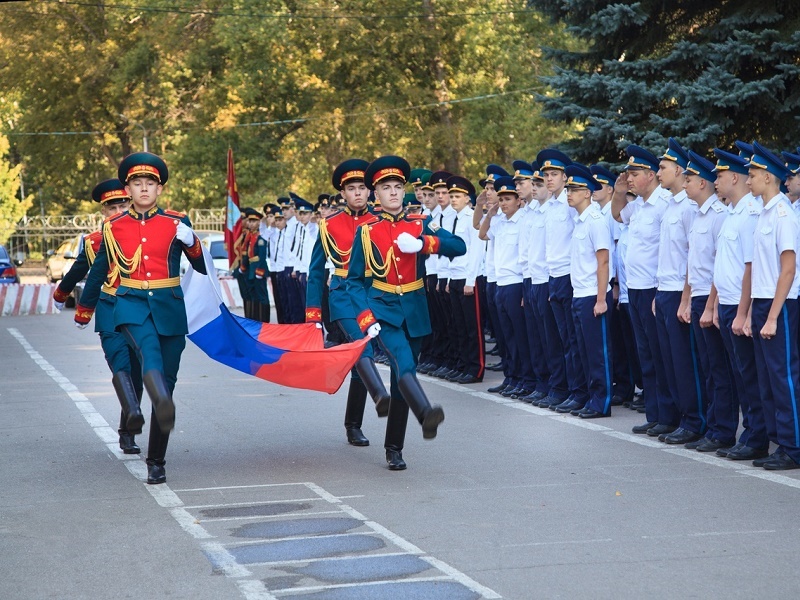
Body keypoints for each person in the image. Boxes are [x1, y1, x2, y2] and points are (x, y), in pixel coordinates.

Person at [75, 151, 206, 484]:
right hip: (130, 302)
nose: (144, 189)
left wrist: (192, 244)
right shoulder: (114, 226)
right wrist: (85, 307)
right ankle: (156, 400)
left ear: (159, 190)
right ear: (128, 190)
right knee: (148, 351)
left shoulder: (176, 222)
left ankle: (156, 459)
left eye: (150, 183)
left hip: (169, 304)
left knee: (168, 383)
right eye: (137, 184)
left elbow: (202, 268)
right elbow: (101, 268)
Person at [346, 155, 466, 470]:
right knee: (403, 361)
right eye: (386, 187)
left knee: (402, 376)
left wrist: (425, 243)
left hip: (414, 309)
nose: (394, 192)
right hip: (383, 310)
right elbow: (354, 283)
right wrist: (365, 319)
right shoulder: (366, 231)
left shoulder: (420, 222)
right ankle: (426, 413)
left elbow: (459, 246)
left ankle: (393, 448)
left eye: (398, 186)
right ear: (376, 194)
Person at [54, 179, 144, 455]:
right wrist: (62, 294)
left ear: (130, 205)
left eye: (122, 205)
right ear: (103, 212)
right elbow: (80, 271)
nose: (117, 211)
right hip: (109, 309)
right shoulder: (94, 241)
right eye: (111, 207)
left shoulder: (144, 236)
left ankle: (127, 431)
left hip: (140, 311)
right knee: (120, 363)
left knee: (138, 375)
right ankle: (132, 415)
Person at [305, 158, 391, 447]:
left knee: (358, 361)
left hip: (374, 292)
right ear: (342, 194)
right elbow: (316, 272)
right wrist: (313, 316)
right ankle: (380, 393)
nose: (357, 193)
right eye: (351, 189)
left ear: (370, 192)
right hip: (342, 294)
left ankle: (353, 425)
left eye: (362, 188)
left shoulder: (380, 221)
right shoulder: (329, 225)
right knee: (360, 343)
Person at [612, 145, 675, 436]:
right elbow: (617, 215)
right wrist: (619, 191)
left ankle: (668, 415)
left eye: (635, 173)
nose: (630, 177)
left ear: (650, 175)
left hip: (653, 288)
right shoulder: (637, 205)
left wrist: (659, 290)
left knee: (660, 355)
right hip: (634, 289)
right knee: (645, 355)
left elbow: (668, 251)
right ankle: (654, 412)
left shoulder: (664, 203)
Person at [711, 147, 768, 460]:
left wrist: (742, 312)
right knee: (737, 374)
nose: (715, 180)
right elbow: (724, 264)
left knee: (749, 375)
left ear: (735, 177)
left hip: (739, 305)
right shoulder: (732, 213)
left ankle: (756, 436)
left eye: (720, 175)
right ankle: (749, 434)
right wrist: (717, 303)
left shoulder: (749, 213)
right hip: (728, 303)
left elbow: (750, 266)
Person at [746, 142, 800, 470]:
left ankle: (793, 446)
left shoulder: (783, 214)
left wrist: (773, 316)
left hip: (781, 303)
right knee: (767, 378)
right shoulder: (765, 212)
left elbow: (789, 268)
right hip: (763, 300)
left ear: (767, 177)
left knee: (784, 377)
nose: (747, 179)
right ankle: (779, 441)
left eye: (751, 174)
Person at [653, 138, 702, 444]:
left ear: (681, 172)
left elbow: (690, 257)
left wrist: (684, 298)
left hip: (680, 292)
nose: (659, 172)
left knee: (685, 362)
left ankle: (695, 420)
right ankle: (678, 417)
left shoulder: (688, 207)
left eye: (663, 167)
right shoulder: (669, 204)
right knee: (668, 361)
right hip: (664, 290)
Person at [685, 150, 734, 450]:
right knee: (707, 367)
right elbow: (693, 265)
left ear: (700, 183)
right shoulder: (698, 214)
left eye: (689, 178)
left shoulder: (720, 215)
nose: (685, 182)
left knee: (719, 368)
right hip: (698, 296)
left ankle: (724, 430)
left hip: (711, 297)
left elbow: (719, 265)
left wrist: (711, 305)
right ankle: (714, 427)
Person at [539, 148, 590, 413]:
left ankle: (579, 391)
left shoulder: (570, 206)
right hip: (554, 276)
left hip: (571, 276)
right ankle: (568, 389)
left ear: (564, 177)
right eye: (546, 174)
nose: (549, 179)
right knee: (561, 338)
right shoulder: (549, 206)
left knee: (573, 339)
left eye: (554, 174)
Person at [564, 163, 613, 418]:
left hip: (593, 296)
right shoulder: (580, 221)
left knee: (598, 354)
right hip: (579, 294)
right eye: (568, 188)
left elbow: (603, 261)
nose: (569, 192)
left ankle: (601, 402)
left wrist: (601, 299)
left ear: (587, 193)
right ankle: (591, 398)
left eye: (574, 189)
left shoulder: (596, 221)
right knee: (583, 351)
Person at [478, 176, 535, 398]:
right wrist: (490, 214)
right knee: (506, 336)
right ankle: (511, 377)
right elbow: (482, 234)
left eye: (508, 199)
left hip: (516, 284)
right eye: (501, 199)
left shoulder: (523, 221)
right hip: (500, 284)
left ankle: (526, 379)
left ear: (518, 201)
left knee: (520, 337)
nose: (503, 203)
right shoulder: (499, 221)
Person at [444, 175, 485, 384]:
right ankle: (463, 365)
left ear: (467, 198)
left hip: (470, 278)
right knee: (459, 325)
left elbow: (476, 251)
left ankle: (475, 368)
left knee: (472, 328)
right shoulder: (453, 218)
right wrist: (451, 278)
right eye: (451, 195)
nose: (453, 199)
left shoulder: (471, 218)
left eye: (457, 195)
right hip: (456, 276)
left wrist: (470, 280)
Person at [242, 207, 271, 322]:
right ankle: (256, 319)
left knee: (262, 296)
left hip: (259, 268)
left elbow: (262, 256)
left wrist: (260, 271)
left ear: (259, 222)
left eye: (254, 221)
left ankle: (264, 320)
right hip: (251, 269)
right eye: (249, 221)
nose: (251, 223)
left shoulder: (260, 237)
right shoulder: (251, 236)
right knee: (254, 296)